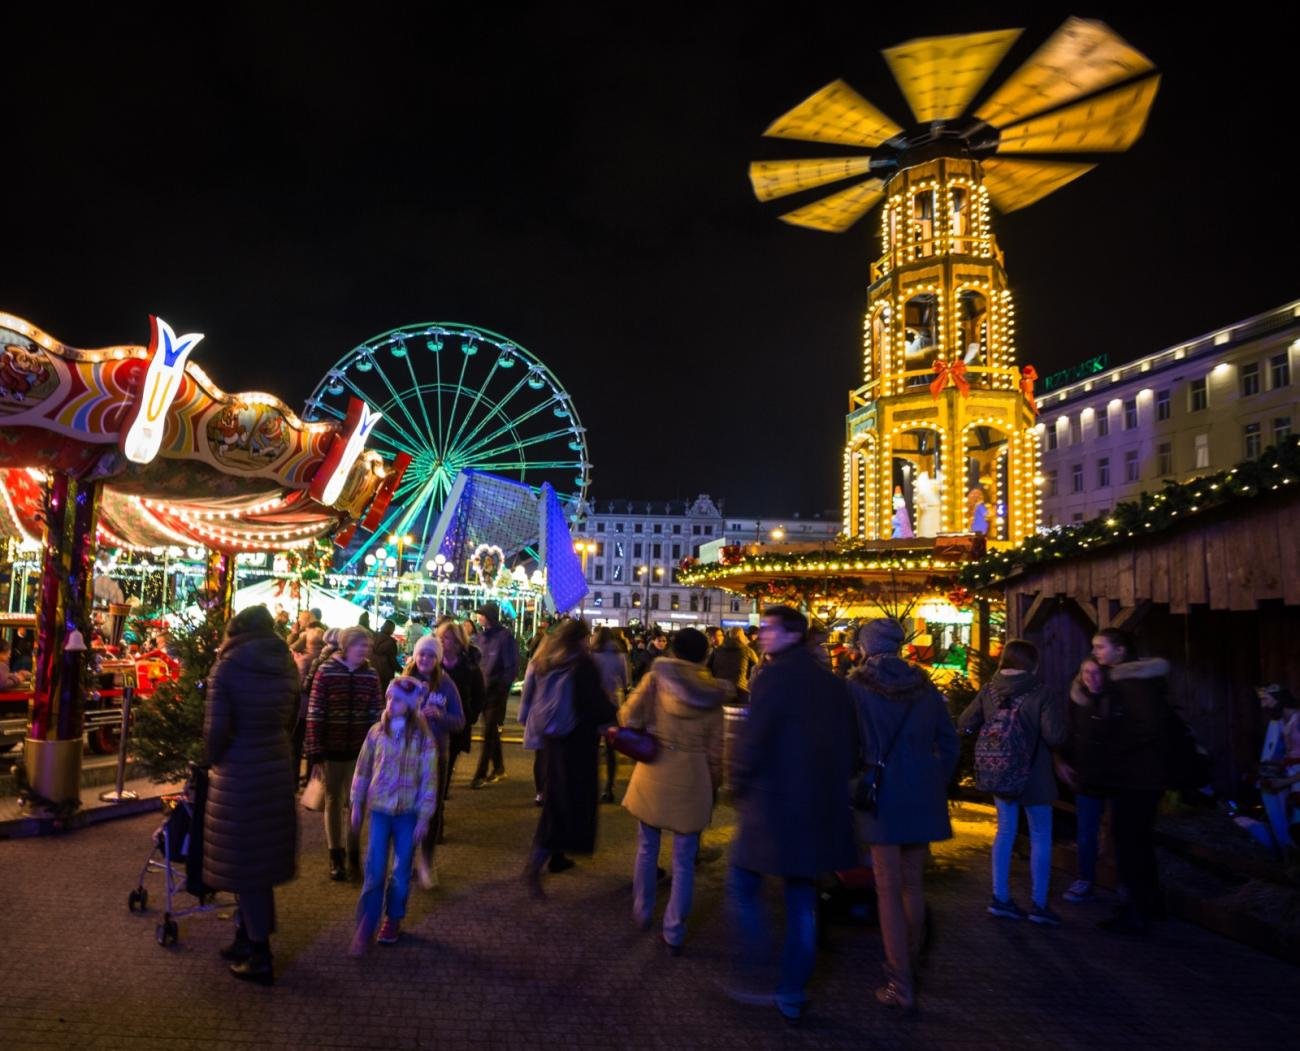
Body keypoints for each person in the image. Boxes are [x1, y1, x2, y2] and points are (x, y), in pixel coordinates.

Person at [728, 605, 858, 1024]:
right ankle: (792, 989)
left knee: (743, 882)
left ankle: (759, 962)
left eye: (768, 628)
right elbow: (850, 745)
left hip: (775, 802)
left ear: (791, 634)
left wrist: (738, 781)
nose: (762, 634)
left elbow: (755, 738)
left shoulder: (774, 678)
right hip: (819, 803)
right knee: (802, 899)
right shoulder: (833, 684)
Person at [849, 617, 959, 1014]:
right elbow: (948, 741)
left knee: (887, 889)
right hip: (922, 792)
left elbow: (849, 742)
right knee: (912, 885)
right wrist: (933, 778)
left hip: (882, 794)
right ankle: (911, 960)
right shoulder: (924, 686)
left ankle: (900, 982)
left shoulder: (857, 686)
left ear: (867, 646)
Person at [200, 605, 300, 985]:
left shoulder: (226, 666)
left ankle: (259, 953)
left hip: (239, 773)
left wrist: (207, 762)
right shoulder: (286, 663)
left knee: (248, 864)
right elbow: (291, 716)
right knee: (258, 863)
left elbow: (217, 730)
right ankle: (246, 937)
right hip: (275, 767)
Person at [619, 627, 730, 955]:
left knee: (646, 847)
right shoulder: (713, 694)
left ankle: (642, 910)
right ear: (704, 655)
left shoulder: (656, 679)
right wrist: (714, 784)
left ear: (674, 651)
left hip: (656, 768)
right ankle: (674, 930)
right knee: (684, 860)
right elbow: (716, 750)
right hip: (694, 775)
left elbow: (627, 717)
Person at [959, 638, 1067, 927]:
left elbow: (964, 722)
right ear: (1032, 663)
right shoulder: (1042, 693)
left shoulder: (989, 691)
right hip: (1035, 774)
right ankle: (1039, 904)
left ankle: (1000, 898)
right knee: (1041, 835)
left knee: (1005, 831)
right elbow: (1055, 736)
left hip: (1001, 772)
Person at [1071, 627, 1170, 935]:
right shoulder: (1131, 683)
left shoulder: (1131, 685)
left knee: (1131, 842)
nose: (1097, 652)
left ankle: (1138, 910)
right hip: (1138, 776)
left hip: (1137, 778)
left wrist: (1114, 749)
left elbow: (1143, 728)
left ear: (1120, 651)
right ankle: (1146, 905)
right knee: (1134, 841)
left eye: (1101, 647)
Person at [519, 618, 617, 895]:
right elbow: (594, 705)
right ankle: (539, 862)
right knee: (565, 808)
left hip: (553, 741)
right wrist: (613, 712)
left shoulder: (548, 659)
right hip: (577, 746)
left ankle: (544, 859)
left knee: (555, 803)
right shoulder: (582, 665)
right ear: (582, 639)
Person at [348, 676, 437, 954]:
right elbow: (363, 769)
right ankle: (366, 923)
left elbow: (429, 778)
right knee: (374, 869)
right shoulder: (376, 732)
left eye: (397, 699)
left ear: (410, 706)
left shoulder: (422, 738)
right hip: (380, 810)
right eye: (389, 698)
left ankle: (393, 918)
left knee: (400, 872)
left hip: (408, 813)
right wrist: (356, 803)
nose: (390, 703)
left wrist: (424, 816)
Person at [305, 625, 384, 882]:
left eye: (367, 646)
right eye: (360, 645)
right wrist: (315, 751)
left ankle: (352, 851)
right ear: (347, 646)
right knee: (332, 800)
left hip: (360, 751)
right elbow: (315, 712)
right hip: (332, 747)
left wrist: (378, 747)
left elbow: (377, 712)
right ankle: (335, 854)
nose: (364, 650)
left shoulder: (370, 675)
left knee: (357, 801)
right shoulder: (326, 672)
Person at [403, 633, 464, 887]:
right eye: (421, 654)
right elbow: (386, 713)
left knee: (430, 810)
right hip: (406, 755)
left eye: (431, 655)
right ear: (415, 655)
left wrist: (439, 714)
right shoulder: (404, 682)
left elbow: (460, 721)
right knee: (406, 809)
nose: (425, 659)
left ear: (438, 659)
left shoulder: (447, 685)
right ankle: (405, 861)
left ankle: (426, 860)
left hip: (435, 755)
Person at [1061, 657, 1110, 903]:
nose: (1091, 677)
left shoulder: (1113, 701)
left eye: (1096, 673)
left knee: (1116, 830)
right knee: (1086, 830)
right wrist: (1062, 760)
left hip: (1112, 775)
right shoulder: (1078, 702)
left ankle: (1123, 883)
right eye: (1086, 672)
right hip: (1086, 774)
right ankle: (1084, 877)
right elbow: (1070, 734)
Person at [470, 602, 518, 789]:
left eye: (481, 614)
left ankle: (480, 773)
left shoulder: (504, 637)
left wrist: (502, 686)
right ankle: (498, 767)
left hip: (495, 690)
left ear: (489, 616)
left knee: (488, 730)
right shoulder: (481, 637)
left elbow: (510, 666)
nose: (478, 617)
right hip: (483, 689)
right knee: (489, 731)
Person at [434, 617, 484, 792]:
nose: (441, 641)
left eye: (446, 638)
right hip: (434, 724)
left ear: (456, 642)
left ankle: (440, 802)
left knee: (447, 764)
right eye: (439, 637)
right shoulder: (433, 665)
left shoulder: (469, 668)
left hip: (457, 723)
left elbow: (479, 696)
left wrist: (470, 716)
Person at [1257, 684, 1300, 869]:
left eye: (1266, 699)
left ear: (1280, 698)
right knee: (1269, 795)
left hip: (1296, 781)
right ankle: (1287, 857)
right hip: (1292, 776)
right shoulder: (1283, 722)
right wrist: (1272, 766)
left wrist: (1286, 781)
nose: (1263, 705)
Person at [590, 626, 630, 803]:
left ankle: (589, 785)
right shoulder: (620, 656)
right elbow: (626, 680)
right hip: (613, 705)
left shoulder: (591, 656)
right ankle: (609, 787)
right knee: (611, 747)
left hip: (592, 704)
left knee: (592, 747)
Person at [291, 624, 326, 785]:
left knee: (296, 744)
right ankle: (310, 779)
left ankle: (294, 778)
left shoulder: (304, 660)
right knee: (313, 745)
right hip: (319, 709)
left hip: (304, 708)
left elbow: (301, 686)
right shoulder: (325, 659)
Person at [707, 627, 759, 705]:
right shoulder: (748, 651)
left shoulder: (717, 650)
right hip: (740, 690)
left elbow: (708, 669)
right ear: (742, 636)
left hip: (719, 688)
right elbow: (757, 668)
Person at [370, 619, 400, 689]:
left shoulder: (373, 636)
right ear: (392, 630)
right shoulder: (391, 642)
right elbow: (393, 661)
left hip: (372, 670)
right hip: (385, 675)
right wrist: (402, 670)